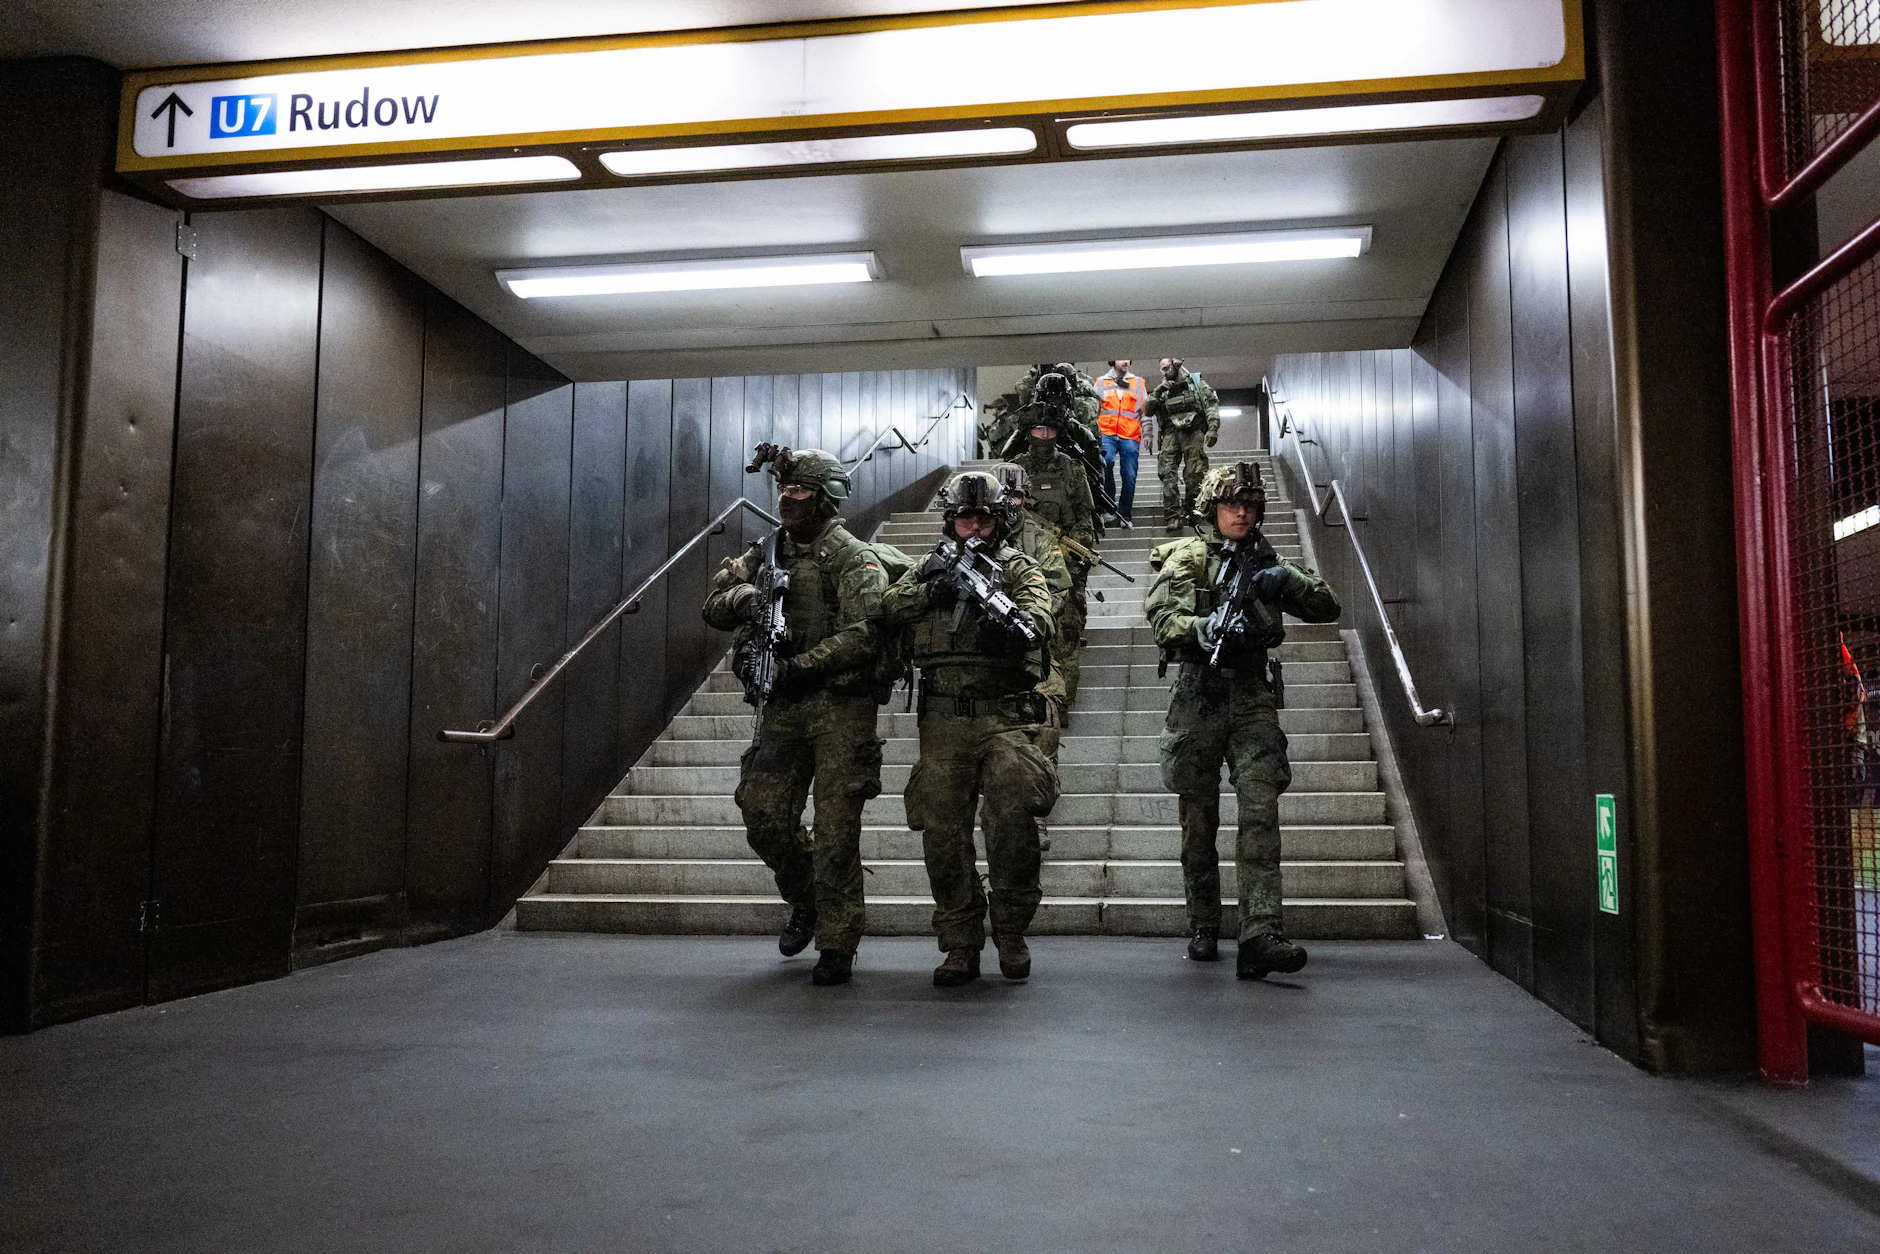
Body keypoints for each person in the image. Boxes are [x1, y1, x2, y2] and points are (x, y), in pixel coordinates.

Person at [701, 446, 891, 987]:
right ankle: (806, 900)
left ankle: (838, 942)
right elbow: (712, 604)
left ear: (828, 498)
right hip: (782, 709)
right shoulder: (766, 552)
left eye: (801, 490)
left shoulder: (854, 558)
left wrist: (799, 667)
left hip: (839, 708)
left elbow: (865, 634)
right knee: (762, 815)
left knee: (835, 833)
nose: (787, 498)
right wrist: (743, 598)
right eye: (784, 489)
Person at [1144, 462, 1342, 978]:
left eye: (1251, 505)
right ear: (1213, 507)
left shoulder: (1268, 559)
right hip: (1199, 693)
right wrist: (1202, 624)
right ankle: (1204, 923)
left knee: (1259, 813)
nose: (1242, 512)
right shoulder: (1187, 556)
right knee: (1198, 822)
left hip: (1252, 693)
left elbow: (1327, 606)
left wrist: (1289, 578)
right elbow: (1164, 620)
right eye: (1233, 504)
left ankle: (1260, 931)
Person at [881, 470, 1059, 987]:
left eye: (983, 518)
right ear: (951, 521)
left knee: (1013, 825)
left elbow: (1040, 615)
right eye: (965, 518)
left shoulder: (1018, 568)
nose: (974, 526)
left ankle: (1010, 930)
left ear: (1000, 520)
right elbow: (889, 608)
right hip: (942, 722)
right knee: (942, 833)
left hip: (1003, 714)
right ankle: (960, 941)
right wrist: (930, 593)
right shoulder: (927, 567)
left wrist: (1012, 632)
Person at [1011, 402, 1096, 701]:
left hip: (1064, 567)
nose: (1044, 436)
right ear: (1028, 432)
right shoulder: (1015, 469)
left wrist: (1072, 551)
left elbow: (1086, 521)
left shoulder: (1072, 469)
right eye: (1038, 429)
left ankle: (1060, 704)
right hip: (1021, 564)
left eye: (1049, 430)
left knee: (1066, 634)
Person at [1146, 357, 1220, 533]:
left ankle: (1194, 512)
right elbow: (1147, 411)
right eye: (1161, 370)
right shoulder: (1162, 389)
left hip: (1193, 432)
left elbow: (1210, 404)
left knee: (1195, 473)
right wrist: (1157, 392)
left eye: (1166, 368)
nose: (1164, 372)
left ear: (1176, 365)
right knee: (1167, 473)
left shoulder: (1195, 382)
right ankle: (1172, 516)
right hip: (1170, 434)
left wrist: (1213, 428)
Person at [1096, 360, 1150, 523]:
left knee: (1129, 474)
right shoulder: (1100, 382)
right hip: (1106, 432)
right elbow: (1093, 409)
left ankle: (1125, 513)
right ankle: (1109, 507)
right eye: (1122, 358)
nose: (1126, 361)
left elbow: (1145, 412)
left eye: (1128, 358)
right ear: (1113, 361)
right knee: (1106, 463)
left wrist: (1148, 434)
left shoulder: (1138, 383)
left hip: (1130, 435)